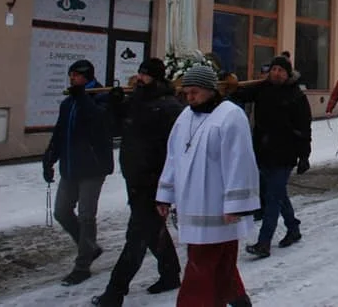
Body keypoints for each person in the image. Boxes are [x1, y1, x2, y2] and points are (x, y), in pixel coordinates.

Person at [156, 64, 258, 307]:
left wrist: (237, 205)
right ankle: (236, 297)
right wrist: (165, 195)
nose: (189, 98)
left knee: (201, 267)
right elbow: (173, 157)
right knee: (218, 262)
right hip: (192, 205)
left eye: (194, 92)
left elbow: (239, 161)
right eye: (186, 93)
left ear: (210, 90)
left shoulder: (230, 115)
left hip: (219, 207)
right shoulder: (186, 116)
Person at [92, 59, 182, 306]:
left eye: (146, 74)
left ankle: (115, 292)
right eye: (139, 73)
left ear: (157, 77)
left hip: (155, 181)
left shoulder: (168, 106)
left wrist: (167, 182)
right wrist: (115, 103)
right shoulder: (137, 100)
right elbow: (116, 127)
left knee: (137, 235)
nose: (140, 78)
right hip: (135, 176)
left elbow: (175, 149)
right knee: (151, 231)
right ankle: (171, 274)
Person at [230, 56, 311, 258]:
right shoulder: (262, 89)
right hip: (263, 151)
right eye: (273, 69)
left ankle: (264, 242)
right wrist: (228, 84)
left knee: (272, 198)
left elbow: (304, 127)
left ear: (288, 73)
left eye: (280, 70)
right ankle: (293, 228)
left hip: (286, 153)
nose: (276, 73)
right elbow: (239, 94)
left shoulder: (296, 96)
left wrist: (304, 156)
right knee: (278, 193)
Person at [42, 59, 113, 286]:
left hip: (93, 167)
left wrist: (82, 96)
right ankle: (89, 247)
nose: (71, 78)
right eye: (70, 75)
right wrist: (49, 158)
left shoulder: (101, 97)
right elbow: (60, 132)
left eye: (75, 75)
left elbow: (99, 122)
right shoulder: (68, 102)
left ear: (86, 76)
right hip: (71, 166)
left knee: (86, 215)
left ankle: (82, 265)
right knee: (62, 211)